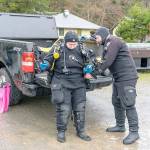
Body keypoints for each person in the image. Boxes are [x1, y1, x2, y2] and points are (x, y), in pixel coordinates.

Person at [44, 31, 91, 143]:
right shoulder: (58, 49)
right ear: (65, 42)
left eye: (74, 44)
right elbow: (47, 60)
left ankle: (81, 131)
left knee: (80, 108)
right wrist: (45, 64)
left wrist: (90, 66)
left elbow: (91, 60)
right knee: (64, 109)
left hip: (79, 82)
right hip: (62, 81)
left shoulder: (82, 49)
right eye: (70, 44)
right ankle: (61, 131)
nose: (72, 46)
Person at [94, 27, 139, 145]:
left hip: (127, 77)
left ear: (103, 35)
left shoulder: (114, 41)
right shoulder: (107, 44)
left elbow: (108, 61)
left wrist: (96, 71)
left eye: (97, 37)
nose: (96, 40)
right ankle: (120, 125)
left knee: (128, 103)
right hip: (118, 78)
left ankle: (134, 132)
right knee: (116, 101)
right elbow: (107, 62)